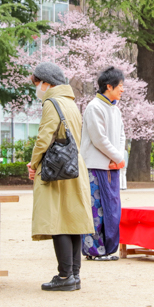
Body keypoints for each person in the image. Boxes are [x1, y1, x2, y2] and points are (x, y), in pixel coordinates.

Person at [26, 62, 94, 292]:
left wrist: (34, 163)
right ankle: (74, 274)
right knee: (72, 221)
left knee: (58, 221)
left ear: (46, 82)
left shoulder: (51, 103)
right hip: (75, 166)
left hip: (58, 170)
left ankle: (64, 276)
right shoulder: (71, 103)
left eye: (37, 83)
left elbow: (44, 137)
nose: (37, 88)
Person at [81, 66, 126, 261]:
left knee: (112, 209)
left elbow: (122, 135)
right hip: (95, 166)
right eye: (120, 86)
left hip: (112, 166)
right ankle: (95, 250)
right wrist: (117, 158)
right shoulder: (94, 107)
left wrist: (118, 158)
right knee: (96, 209)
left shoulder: (114, 109)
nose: (122, 90)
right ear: (109, 86)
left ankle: (107, 249)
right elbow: (98, 139)